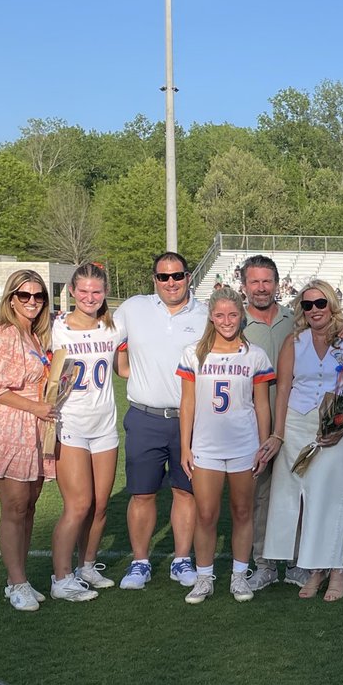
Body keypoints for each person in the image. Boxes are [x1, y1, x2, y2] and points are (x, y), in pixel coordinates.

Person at [261, 281, 343, 601]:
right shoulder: (295, 342)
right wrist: (278, 433)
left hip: (335, 427)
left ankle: (337, 570)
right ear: (301, 310)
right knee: (296, 497)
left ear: (331, 303)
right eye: (308, 305)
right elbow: (282, 390)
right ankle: (315, 569)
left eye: (320, 303)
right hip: (296, 425)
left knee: (331, 498)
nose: (315, 309)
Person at [0, 269, 61, 611]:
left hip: (36, 426)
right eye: (25, 296)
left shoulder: (36, 335)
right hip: (9, 425)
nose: (32, 302)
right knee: (15, 505)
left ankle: (16, 580)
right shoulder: (3, 334)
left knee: (30, 504)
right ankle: (17, 581)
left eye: (38, 296)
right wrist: (34, 406)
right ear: (11, 299)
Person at [114, 252, 206, 590]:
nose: (171, 283)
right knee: (142, 493)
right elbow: (106, 343)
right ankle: (140, 562)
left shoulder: (206, 313)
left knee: (186, 491)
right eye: (164, 277)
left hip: (190, 419)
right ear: (154, 279)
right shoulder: (133, 308)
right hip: (145, 416)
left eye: (177, 276)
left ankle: (182, 560)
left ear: (188, 276)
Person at [177, 290, 275, 604]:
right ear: (210, 316)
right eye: (220, 315)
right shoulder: (193, 353)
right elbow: (188, 403)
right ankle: (204, 577)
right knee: (206, 514)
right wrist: (185, 446)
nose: (227, 321)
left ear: (241, 315)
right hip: (206, 446)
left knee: (243, 511)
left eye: (232, 315)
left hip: (244, 446)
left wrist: (263, 445)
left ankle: (239, 576)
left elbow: (262, 406)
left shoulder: (255, 354)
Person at [49, 263, 123, 601]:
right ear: (73, 292)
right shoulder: (56, 328)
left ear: (104, 292)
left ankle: (87, 565)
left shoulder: (113, 327)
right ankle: (61, 577)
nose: (90, 297)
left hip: (105, 423)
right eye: (84, 291)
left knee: (100, 505)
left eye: (96, 291)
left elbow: (123, 369)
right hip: (71, 423)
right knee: (78, 504)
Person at [239, 254, 295, 590]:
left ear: (277, 283)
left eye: (267, 281)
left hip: (293, 418)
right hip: (251, 420)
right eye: (254, 282)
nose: (261, 288)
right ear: (243, 286)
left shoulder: (294, 318)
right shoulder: (234, 321)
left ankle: (294, 560)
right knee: (259, 495)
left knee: (292, 491)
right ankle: (263, 563)